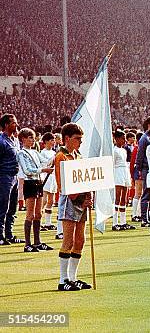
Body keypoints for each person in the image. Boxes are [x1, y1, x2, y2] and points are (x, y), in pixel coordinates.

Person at [55, 123, 93, 291]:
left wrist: (88, 194)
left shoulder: (78, 156)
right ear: (67, 139)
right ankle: (63, 280)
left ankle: (73, 277)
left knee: (80, 240)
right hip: (70, 201)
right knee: (68, 240)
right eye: (77, 139)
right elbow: (64, 185)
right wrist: (80, 199)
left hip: (81, 201)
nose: (80, 142)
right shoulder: (61, 157)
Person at [17, 128, 54, 252]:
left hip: (38, 182)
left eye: (33, 137)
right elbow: (27, 170)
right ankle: (27, 244)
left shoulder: (35, 152)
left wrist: (57, 157)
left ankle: (37, 242)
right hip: (30, 182)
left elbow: (46, 162)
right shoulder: (21, 153)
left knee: (39, 213)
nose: (33, 140)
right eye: (30, 137)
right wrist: (43, 170)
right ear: (23, 139)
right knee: (30, 214)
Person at [0, 114, 22, 246]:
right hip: (4, 177)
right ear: (6, 125)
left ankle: (9, 234)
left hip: (14, 176)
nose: (16, 124)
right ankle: (0, 235)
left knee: (13, 207)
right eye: (13, 122)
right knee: (3, 207)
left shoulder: (15, 140)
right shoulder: (1, 141)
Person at [134, 116, 150, 227]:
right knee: (146, 193)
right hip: (146, 168)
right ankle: (144, 218)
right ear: (149, 125)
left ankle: (149, 217)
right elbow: (140, 154)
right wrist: (139, 168)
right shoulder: (145, 138)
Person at [112, 130, 135, 231]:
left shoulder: (124, 150)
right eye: (122, 138)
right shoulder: (114, 150)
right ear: (117, 139)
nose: (124, 140)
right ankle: (115, 222)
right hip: (117, 172)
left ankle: (123, 221)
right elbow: (112, 164)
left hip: (124, 172)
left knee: (124, 199)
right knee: (117, 198)